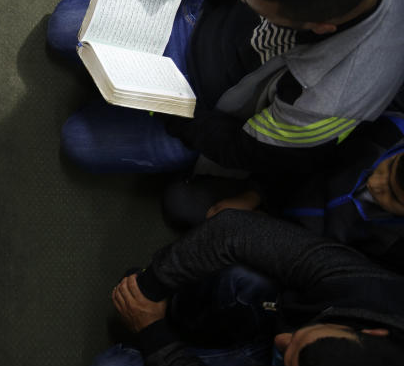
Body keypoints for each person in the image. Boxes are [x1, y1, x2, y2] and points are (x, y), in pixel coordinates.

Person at [48, 0, 404, 176]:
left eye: (261, 10)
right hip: (196, 17)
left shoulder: (336, 100)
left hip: (208, 111)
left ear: (320, 27)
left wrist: (168, 107)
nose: (244, 0)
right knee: (64, 25)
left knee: (77, 141)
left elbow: (245, 149)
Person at [17, 210, 404, 366]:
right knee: (242, 282)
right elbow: (236, 230)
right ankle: (173, 315)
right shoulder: (375, 295)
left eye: (291, 360)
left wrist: (152, 334)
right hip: (252, 345)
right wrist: (147, 291)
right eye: (302, 334)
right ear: (374, 331)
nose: (283, 340)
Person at [163, 113, 404, 271]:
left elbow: (327, 266)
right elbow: (307, 157)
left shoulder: (395, 247)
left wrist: (260, 228)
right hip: (281, 187)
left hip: (295, 247)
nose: (375, 184)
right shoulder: (388, 132)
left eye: (392, 197)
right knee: (179, 202)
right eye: (389, 167)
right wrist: (254, 195)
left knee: (226, 274)